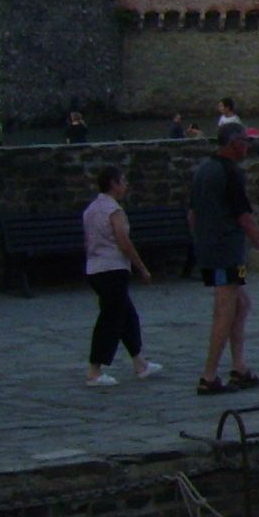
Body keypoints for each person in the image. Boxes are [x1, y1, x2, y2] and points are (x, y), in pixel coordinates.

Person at [189, 122, 259, 394]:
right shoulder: (229, 173)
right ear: (232, 142)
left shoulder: (203, 170)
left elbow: (192, 214)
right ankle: (209, 376)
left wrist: (199, 243)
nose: (248, 147)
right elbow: (246, 219)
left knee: (241, 304)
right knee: (225, 309)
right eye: (245, 141)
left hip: (218, 251)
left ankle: (239, 368)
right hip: (225, 252)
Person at [82, 165, 159, 386]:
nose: (125, 185)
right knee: (110, 320)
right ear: (114, 184)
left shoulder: (90, 210)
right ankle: (94, 370)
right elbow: (123, 242)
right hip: (112, 268)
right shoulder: (113, 210)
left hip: (95, 267)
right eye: (122, 181)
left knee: (126, 316)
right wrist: (141, 267)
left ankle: (140, 363)